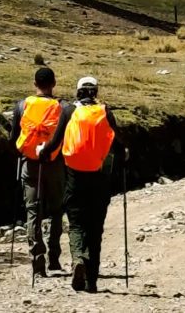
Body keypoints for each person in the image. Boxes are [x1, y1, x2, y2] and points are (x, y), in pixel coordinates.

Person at [39, 76, 125, 293]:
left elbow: (56, 141)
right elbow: (119, 146)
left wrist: (42, 151)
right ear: (95, 92)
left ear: (78, 92)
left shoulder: (68, 111)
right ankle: (92, 281)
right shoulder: (105, 111)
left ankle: (78, 257)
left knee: (76, 223)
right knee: (95, 228)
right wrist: (123, 158)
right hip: (100, 179)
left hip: (74, 178)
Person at [9, 67, 65, 278]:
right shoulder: (61, 107)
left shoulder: (22, 105)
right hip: (55, 163)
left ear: (35, 84)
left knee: (33, 211)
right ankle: (55, 257)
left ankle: (37, 257)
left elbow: (14, 137)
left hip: (30, 163)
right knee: (57, 210)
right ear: (54, 83)